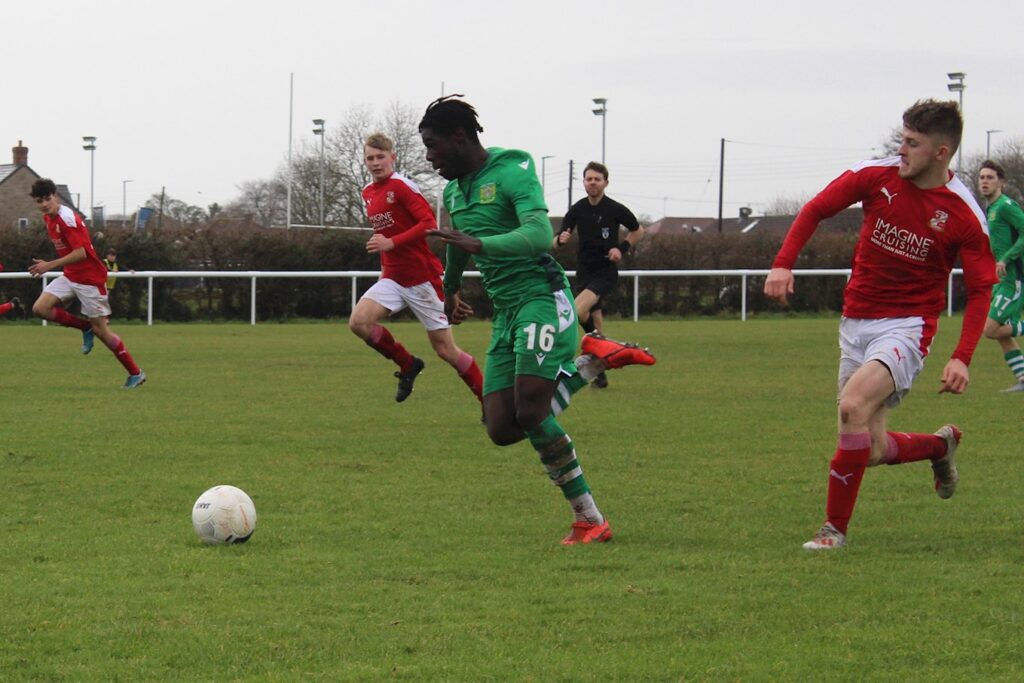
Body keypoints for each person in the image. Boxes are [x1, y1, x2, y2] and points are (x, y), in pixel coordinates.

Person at [419, 95, 655, 545]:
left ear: (459, 137)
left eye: (433, 147)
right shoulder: (452, 190)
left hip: (541, 299)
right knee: (500, 428)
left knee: (531, 411)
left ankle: (589, 519)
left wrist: (480, 246)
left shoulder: (512, 174)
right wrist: (449, 290)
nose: (430, 159)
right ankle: (593, 361)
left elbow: (538, 235)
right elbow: (453, 242)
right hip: (506, 311)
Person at [763, 99, 996, 550]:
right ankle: (939, 446)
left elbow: (982, 289)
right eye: (902, 139)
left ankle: (833, 531)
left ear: (941, 152)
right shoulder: (877, 175)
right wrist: (782, 264)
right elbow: (815, 209)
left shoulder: (964, 213)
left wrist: (962, 357)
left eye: (913, 143)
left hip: (906, 328)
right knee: (867, 448)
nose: (901, 150)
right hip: (855, 322)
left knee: (851, 406)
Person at [348, 132, 484, 405]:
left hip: (422, 279)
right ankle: (408, 364)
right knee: (359, 322)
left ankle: (489, 402)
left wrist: (392, 242)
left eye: (380, 157)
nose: (375, 163)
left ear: (392, 157)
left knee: (446, 350)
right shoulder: (368, 192)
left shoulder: (402, 186)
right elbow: (386, 234)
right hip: (393, 278)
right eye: (370, 158)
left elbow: (427, 224)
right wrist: (385, 266)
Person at [27, 178, 146, 388]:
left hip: (90, 280)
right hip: (71, 276)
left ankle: (135, 373)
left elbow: (81, 253)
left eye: (47, 199)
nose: (44, 204)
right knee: (40, 308)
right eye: (39, 201)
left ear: (55, 196)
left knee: (102, 331)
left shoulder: (67, 219)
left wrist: (49, 265)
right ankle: (85, 328)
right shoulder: (49, 218)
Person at [553, 162, 644, 388]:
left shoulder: (614, 208)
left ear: (605, 182)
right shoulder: (578, 209)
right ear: (583, 182)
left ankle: (559, 364)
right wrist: (560, 240)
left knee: (575, 311)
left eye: (597, 179)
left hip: (605, 272)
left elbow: (638, 230)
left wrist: (620, 249)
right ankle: (602, 368)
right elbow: (558, 238)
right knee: (593, 325)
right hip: (584, 271)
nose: (592, 182)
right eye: (588, 179)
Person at [977, 160, 1024, 392]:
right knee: (1000, 333)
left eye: (990, 178)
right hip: (1000, 280)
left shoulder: (1006, 206)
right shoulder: (991, 208)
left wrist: (1006, 258)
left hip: (1012, 280)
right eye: (982, 178)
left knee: (990, 330)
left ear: (1001, 182)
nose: (984, 181)